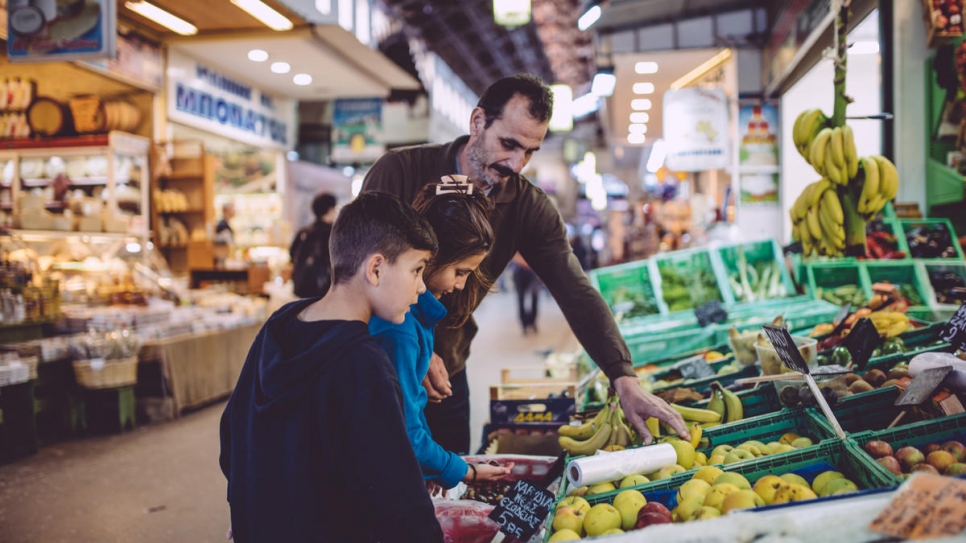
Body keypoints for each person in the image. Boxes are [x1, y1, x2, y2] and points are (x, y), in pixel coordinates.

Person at [363, 73, 688, 455]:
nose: (517, 164)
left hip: (447, 374)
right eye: (509, 144)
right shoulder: (399, 173)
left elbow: (574, 289)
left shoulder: (527, 206)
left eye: (531, 151)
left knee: (448, 494)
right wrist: (416, 344)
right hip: (378, 367)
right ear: (477, 122)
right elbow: (358, 271)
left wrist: (623, 376)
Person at [219, 192, 444, 543]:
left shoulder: (279, 326)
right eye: (416, 270)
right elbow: (396, 496)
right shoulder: (363, 363)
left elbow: (232, 437)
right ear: (376, 268)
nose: (421, 287)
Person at [370, 177, 514, 493]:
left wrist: (433, 468)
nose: (461, 285)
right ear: (430, 256)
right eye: (460, 272)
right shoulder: (400, 329)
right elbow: (405, 433)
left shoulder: (415, 321)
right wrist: (464, 471)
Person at [290, 193, 338, 298]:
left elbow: (292, 254)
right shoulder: (333, 233)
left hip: (301, 288)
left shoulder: (304, 232)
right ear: (330, 210)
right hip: (323, 290)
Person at [511, 253, 541, 335]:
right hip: (519, 270)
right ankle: (524, 324)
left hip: (532, 270)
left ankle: (533, 321)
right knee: (521, 298)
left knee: (535, 296)